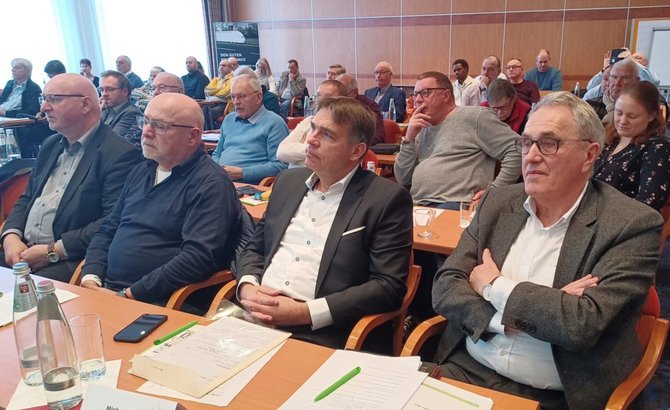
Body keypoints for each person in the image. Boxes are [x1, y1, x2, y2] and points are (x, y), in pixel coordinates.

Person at [432, 91, 662, 409]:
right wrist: (506, 320)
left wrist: (494, 286)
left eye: (549, 143)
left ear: (589, 155)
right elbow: (445, 286)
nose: (531, 156)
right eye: (527, 142)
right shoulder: (497, 202)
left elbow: (581, 325)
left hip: (561, 392)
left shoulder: (631, 225)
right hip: (467, 370)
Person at [237, 96, 413, 348]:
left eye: (327, 135)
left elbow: (388, 287)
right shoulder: (287, 181)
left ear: (356, 151)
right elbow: (256, 248)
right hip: (253, 314)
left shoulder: (386, 199)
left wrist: (305, 313)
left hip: (322, 331)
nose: (311, 139)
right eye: (313, 128)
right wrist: (247, 287)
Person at [80, 93, 243, 306]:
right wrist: (91, 276)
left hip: (160, 301)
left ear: (193, 136)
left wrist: (129, 295)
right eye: (145, 121)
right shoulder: (141, 171)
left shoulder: (210, 183)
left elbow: (197, 258)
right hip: (106, 291)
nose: (146, 132)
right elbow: (108, 228)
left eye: (160, 126)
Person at [0, 74, 141, 282]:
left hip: (68, 259)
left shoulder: (119, 153)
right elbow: (27, 198)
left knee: (25, 297)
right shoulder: (50, 144)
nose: (44, 107)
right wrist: (11, 236)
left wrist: (53, 250)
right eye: (44, 99)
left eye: (54, 99)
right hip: (20, 251)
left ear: (85, 104)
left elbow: (113, 220)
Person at [394, 71, 521, 209]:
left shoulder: (475, 117)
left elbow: (518, 149)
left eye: (425, 93)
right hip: (417, 204)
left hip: (455, 204)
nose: (418, 99)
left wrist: (494, 192)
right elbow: (403, 179)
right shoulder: (420, 127)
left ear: (446, 95)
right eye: (415, 94)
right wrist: (409, 139)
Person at [594, 81, 670, 211]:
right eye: (619, 113)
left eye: (632, 116)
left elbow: (649, 201)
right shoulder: (610, 139)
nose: (623, 121)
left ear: (651, 116)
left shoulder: (658, 147)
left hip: (620, 217)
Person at [212, 74, 288, 184]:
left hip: (249, 186)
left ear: (258, 98)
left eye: (241, 96)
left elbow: (280, 166)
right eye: (233, 97)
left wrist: (242, 173)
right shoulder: (229, 119)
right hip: (220, 181)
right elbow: (217, 154)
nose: (236, 102)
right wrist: (218, 170)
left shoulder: (275, 123)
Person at [277, 79, 349, 168]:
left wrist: (298, 148)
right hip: (293, 174)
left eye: (327, 97)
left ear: (341, 101)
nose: (319, 101)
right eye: (318, 95)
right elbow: (281, 151)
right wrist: (314, 149)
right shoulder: (309, 120)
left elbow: (332, 155)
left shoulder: (342, 126)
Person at [337, 74, 385, 145]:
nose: (337, 100)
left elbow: (378, 135)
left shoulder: (369, 107)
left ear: (354, 93)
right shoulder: (330, 105)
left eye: (342, 95)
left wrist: (352, 143)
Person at [99, 70, 142, 144]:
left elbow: (110, 142)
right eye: (102, 90)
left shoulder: (132, 113)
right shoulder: (105, 109)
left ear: (125, 92)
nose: (104, 94)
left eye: (109, 89)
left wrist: (95, 116)